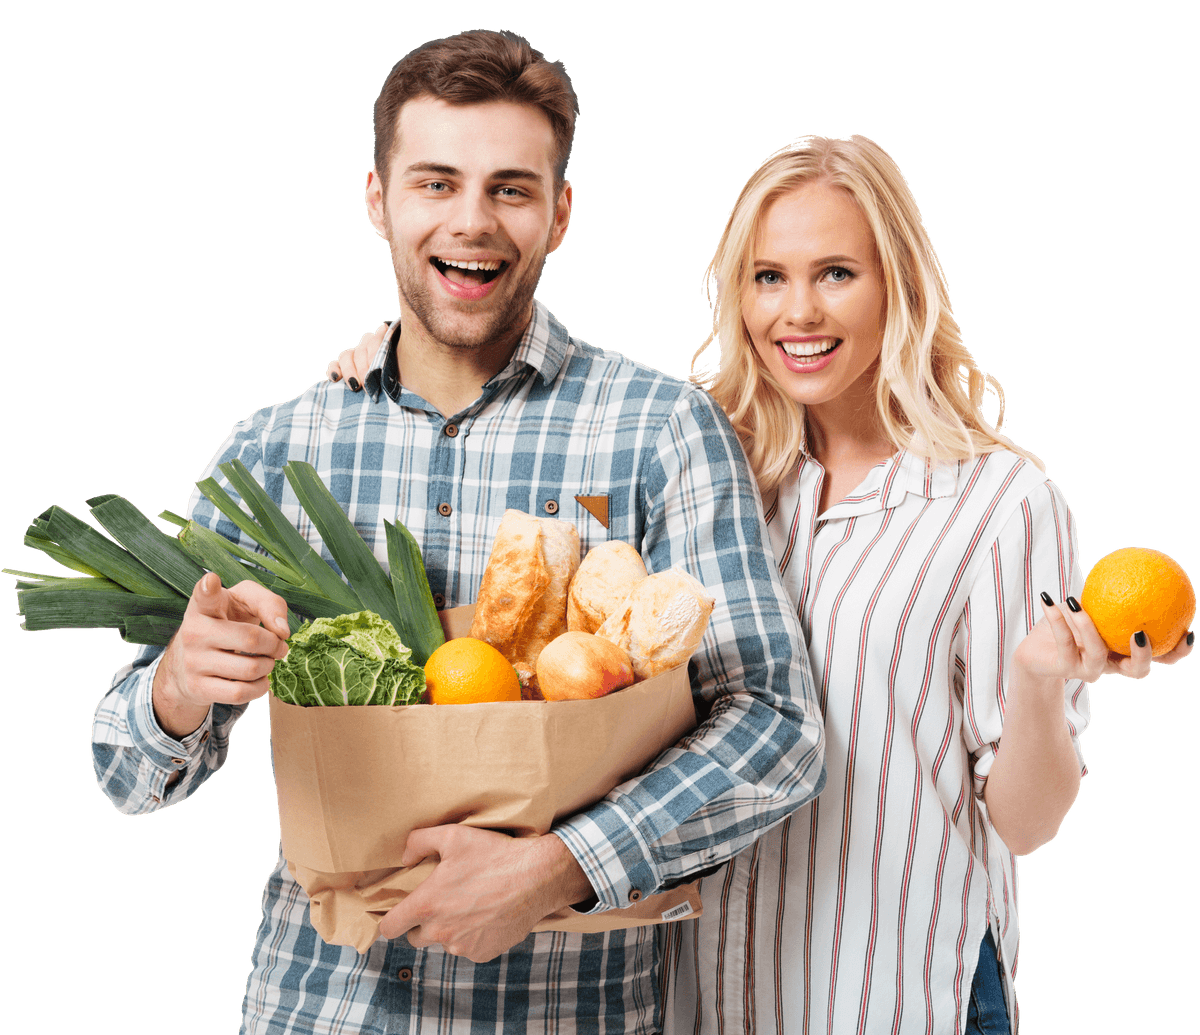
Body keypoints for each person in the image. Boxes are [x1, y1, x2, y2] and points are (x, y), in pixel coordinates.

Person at [330, 133, 1195, 1034]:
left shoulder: (999, 501)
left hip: (897, 997)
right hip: (706, 1002)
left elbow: (1024, 824)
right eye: (768, 277)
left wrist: (1036, 682)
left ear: (898, 282)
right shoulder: (711, 470)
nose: (798, 313)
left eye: (836, 274)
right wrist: (392, 363)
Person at [89, 30, 825, 1035]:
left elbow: (776, 727)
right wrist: (178, 687)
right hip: (315, 1007)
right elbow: (128, 774)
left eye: (512, 189)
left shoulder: (658, 430)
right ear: (379, 200)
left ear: (559, 213)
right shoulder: (276, 451)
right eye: (436, 183)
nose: (472, 223)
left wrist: (560, 867)